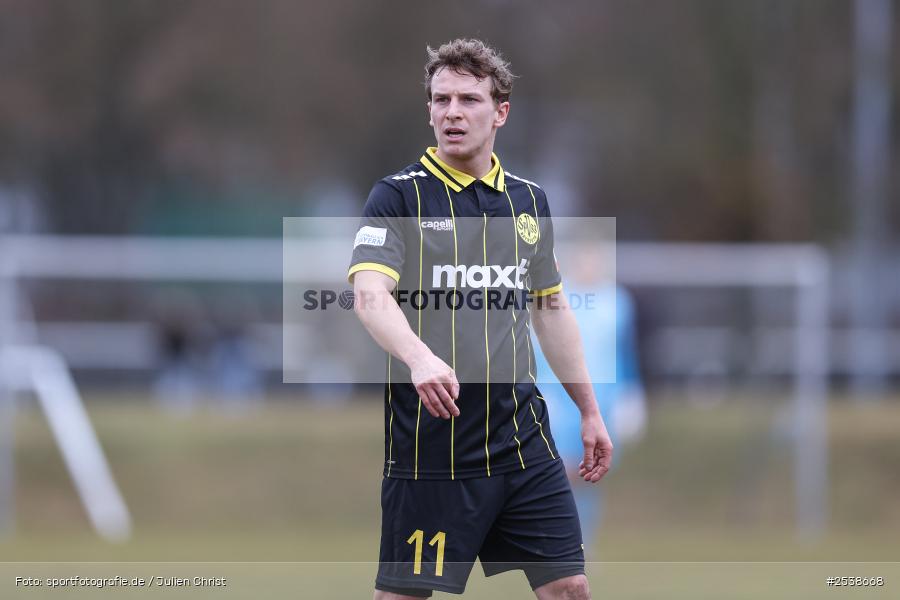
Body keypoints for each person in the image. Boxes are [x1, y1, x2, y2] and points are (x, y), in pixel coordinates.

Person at [349, 39, 613, 600]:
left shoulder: (529, 202)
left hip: (522, 442)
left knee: (570, 588)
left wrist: (588, 409)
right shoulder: (398, 197)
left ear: (500, 112)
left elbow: (551, 307)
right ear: (428, 110)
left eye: (469, 99)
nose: (452, 112)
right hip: (433, 448)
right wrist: (419, 359)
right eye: (441, 99)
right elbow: (369, 293)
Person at [533, 244, 647, 554]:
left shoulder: (617, 303)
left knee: (589, 473)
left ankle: (581, 543)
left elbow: (623, 352)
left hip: (602, 401)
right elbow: (541, 347)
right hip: (557, 398)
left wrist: (630, 394)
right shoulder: (555, 298)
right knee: (560, 472)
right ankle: (557, 541)